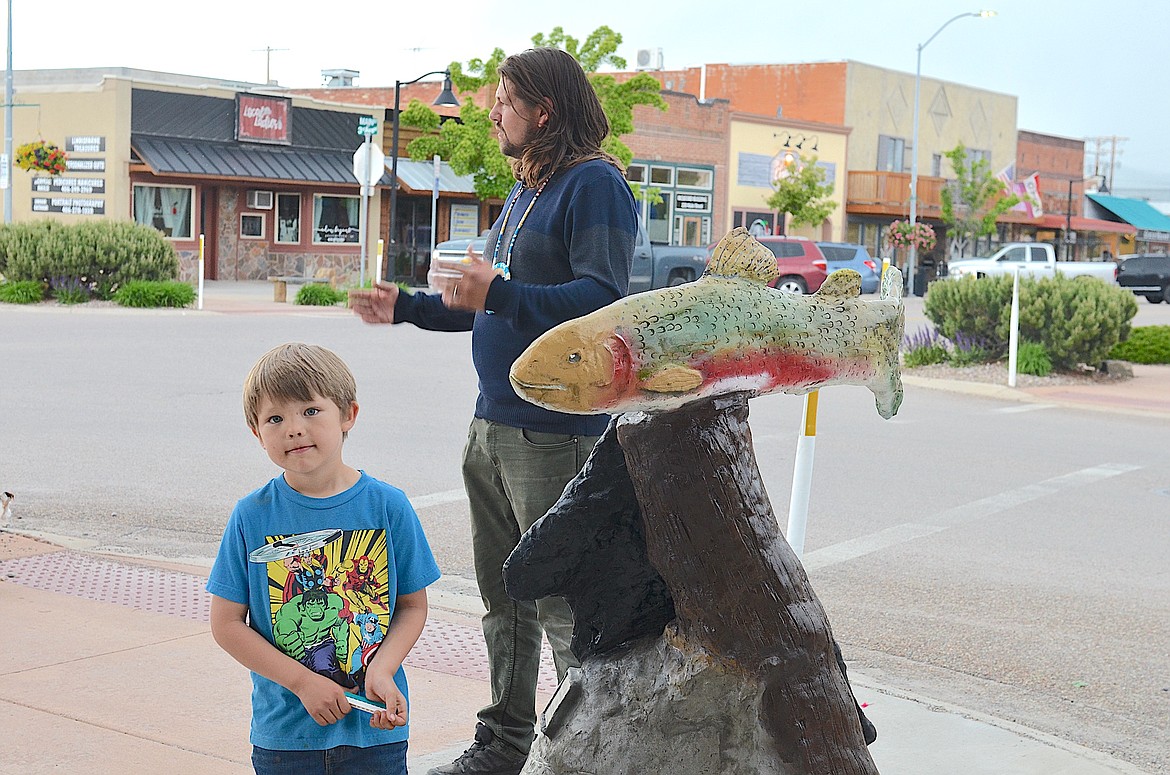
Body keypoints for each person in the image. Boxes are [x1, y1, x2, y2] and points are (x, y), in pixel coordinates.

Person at [350, 47, 637, 775]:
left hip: (556, 433)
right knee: (503, 599)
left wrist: (499, 295)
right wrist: (407, 309)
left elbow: (603, 298)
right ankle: (504, 744)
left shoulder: (593, 185)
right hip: (492, 424)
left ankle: (593, 753)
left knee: (567, 605)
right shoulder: (522, 192)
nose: (492, 110)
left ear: (545, 110)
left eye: (505, 99)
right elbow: (488, 304)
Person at [207, 342, 441, 775]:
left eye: (310, 411)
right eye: (275, 418)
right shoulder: (251, 515)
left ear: (348, 414)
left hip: (376, 731)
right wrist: (301, 681)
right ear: (257, 433)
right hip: (286, 738)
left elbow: (413, 606)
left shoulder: (389, 506)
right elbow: (225, 624)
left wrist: (383, 670)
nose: (294, 428)